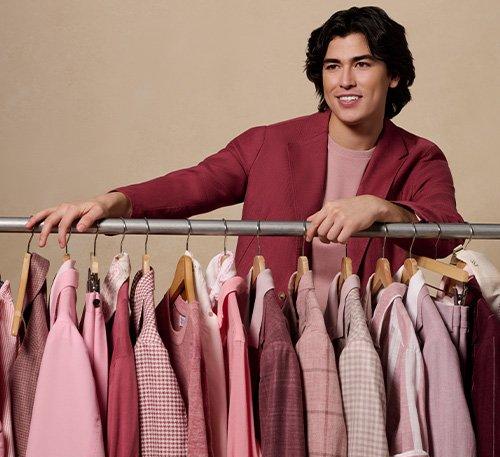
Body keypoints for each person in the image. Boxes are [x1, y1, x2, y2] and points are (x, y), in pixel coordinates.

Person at [25, 6, 464, 309]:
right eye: (333, 66)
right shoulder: (268, 143)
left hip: (376, 333)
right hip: (270, 332)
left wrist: (381, 208)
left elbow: (448, 232)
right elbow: (192, 185)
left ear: (395, 76)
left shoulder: (420, 157)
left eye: (363, 64)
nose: (345, 80)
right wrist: (110, 202)